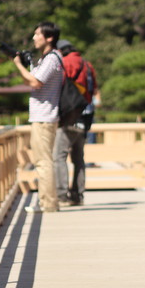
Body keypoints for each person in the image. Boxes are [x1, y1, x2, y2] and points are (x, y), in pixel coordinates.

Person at [0, 22, 63, 214]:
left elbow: (34, 82)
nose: (34, 38)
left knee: (43, 161)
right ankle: (48, 202)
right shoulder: (46, 59)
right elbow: (30, 79)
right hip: (43, 116)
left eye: (37, 34)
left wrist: (18, 64)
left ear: (49, 38)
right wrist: (27, 64)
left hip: (44, 117)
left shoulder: (52, 58)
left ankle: (48, 203)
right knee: (43, 160)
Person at [53, 40, 100, 207]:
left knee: (59, 156)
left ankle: (61, 195)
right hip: (86, 115)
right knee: (78, 158)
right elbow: (94, 88)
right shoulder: (87, 64)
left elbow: (58, 86)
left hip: (70, 115)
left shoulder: (66, 62)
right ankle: (78, 195)